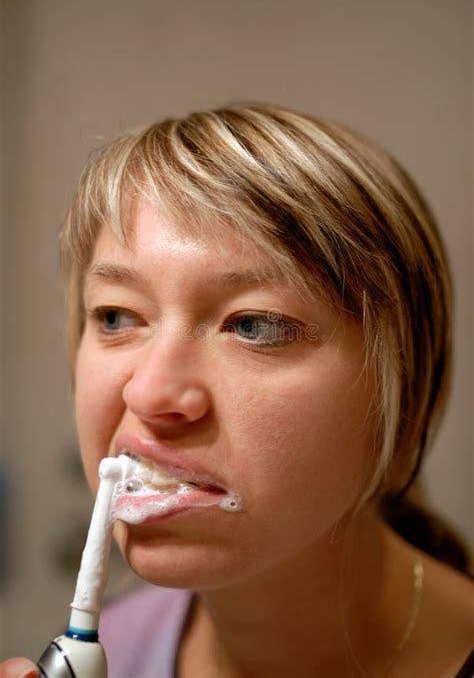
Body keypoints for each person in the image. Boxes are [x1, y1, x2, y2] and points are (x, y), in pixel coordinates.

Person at [1, 104, 473, 678]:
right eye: (117, 316)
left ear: (401, 387)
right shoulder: (120, 647)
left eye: (254, 326)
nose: (149, 392)